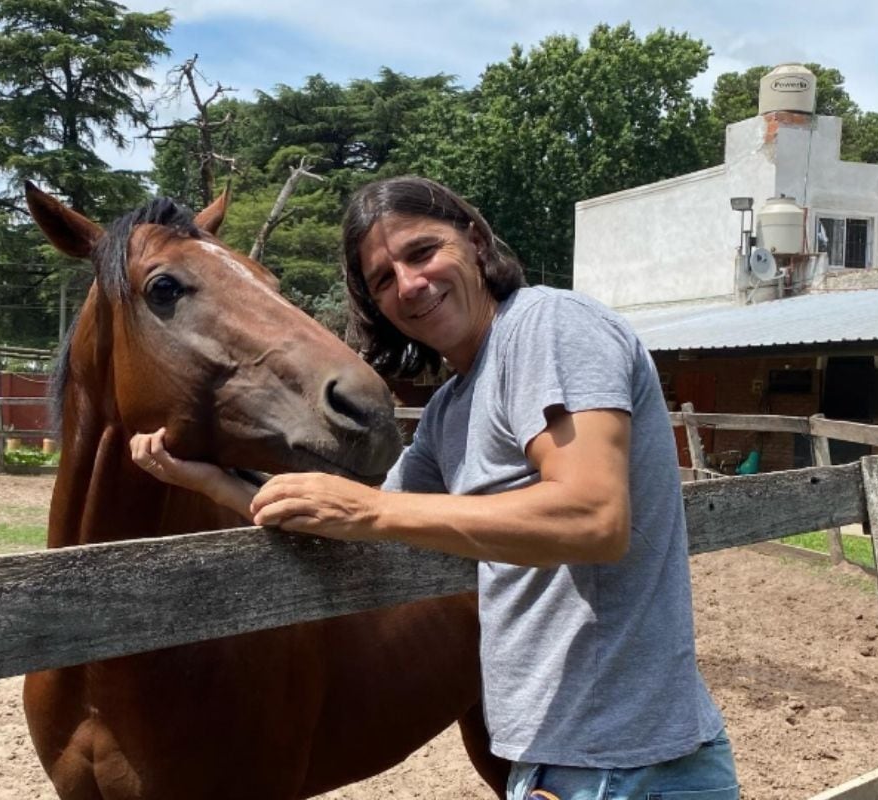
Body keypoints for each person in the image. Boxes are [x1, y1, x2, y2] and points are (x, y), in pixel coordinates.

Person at [130, 176, 739, 799]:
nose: (409, 285)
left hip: (630, 766)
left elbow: (594, 518)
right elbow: (354, 530)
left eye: (422, 252)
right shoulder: (451, 410)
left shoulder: (550, 325)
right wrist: (212, 483)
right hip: (560, 761)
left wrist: (371, 508)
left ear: (476, 241)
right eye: (382, 280)